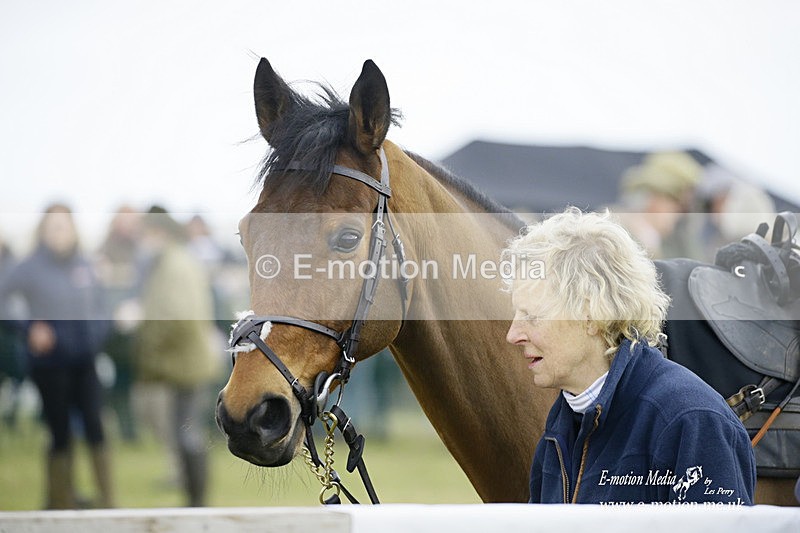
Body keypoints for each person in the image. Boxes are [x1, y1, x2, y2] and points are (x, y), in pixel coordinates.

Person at [502, 207, 755, 505]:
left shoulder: (693, 422)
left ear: (591, 315)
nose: (513, 334)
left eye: (532, 316)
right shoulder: (561, 424)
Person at [0, 204, 113, 508]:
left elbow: (102, 306)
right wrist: (28, 329)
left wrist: (97, 334)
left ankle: (107, 501)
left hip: (85, 359)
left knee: (95, 425)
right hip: (49, 363)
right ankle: (61, 501)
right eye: (53, 227)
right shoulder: (29, 266)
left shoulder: (87, 265)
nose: (59, 233)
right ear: (43, 231)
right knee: (59, 429)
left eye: (64, 226)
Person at [132, 205, 220, 506]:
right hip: (184, 361)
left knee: (187, 433)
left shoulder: (173, 265)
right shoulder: (178, 260)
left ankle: (197, 501)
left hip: (184, 363)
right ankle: (194, 498)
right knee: (185, 431)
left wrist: (148, 338)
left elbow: (177, 316)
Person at [612, 151, 701, 259]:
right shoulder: (612, 234)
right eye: (677, 204)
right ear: (654, 199)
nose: (679, 214)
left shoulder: (666, 241)